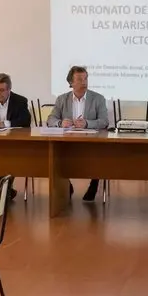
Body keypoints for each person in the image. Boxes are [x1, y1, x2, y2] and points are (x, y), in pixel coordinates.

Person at [47, 66, 110, 202]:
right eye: (80, 79)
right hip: (68, 141)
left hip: (92, 141)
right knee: (57, 154)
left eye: (86, 78)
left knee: (98, 155)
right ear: (71, 83)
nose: (84, 82)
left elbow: (104, 121)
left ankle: (94, 183)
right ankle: (67, 185)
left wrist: (87, 123)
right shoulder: (62, 99)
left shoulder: (98, 99)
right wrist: (60, 123)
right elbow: (51, 119)